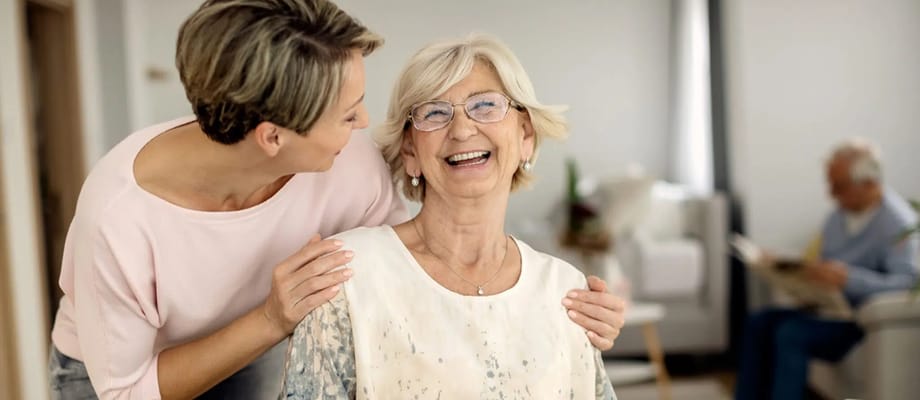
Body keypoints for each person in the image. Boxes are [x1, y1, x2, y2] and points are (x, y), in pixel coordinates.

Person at [48, 1, 626, 399]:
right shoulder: (119, 220)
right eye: (347, 112)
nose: (364, 124)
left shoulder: (346, 165)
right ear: (274, 136)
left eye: (487, 107)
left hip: (262, 340)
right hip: (121, 376)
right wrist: (272, 317)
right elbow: (126, 390)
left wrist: (567, 314)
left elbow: (415, 267)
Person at [282, 34, 619, 399]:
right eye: (435, 113)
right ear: (410, 149)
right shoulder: (344, 274)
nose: (461, 130)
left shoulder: (565, 291)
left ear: (525, 135)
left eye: (486, 106)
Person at [734, 139, 919, 400]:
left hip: (855, 320)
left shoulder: (899, 224)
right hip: (826, 310)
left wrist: (850, 279)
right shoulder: (837, 216)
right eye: (830, 184)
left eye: (838, 186)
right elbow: (822, 263)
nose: (830, 194)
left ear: (868, 182)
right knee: (759, 322)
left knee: (790, 333)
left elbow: (907, 282)